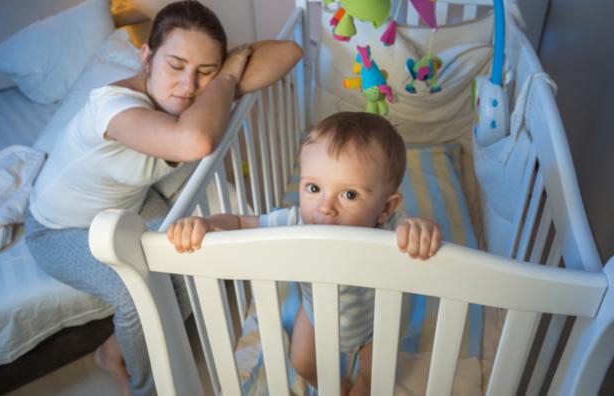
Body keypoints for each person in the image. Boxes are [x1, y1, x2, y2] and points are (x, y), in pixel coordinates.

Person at [24, 1, 302, 395]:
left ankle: (112, 348)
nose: (188, 86)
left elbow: (291, 52)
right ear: (146, 58)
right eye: (175, 65)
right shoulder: (113, 108)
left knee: (188, 256)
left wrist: (228, 67)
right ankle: (144, 386)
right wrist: (226, 76)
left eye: (204, 71)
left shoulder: (196, 93)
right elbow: (196, 140)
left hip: (128, 206)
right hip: (59, 229)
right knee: (135, 292)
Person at [167, 111, 443, 396]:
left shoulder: (390, 228)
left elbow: (418, 233)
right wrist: (208, 224)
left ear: (385, 208)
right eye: (313, 188)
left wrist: (421, 231)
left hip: (376, 320)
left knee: (376, 376)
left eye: (349, 195)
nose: (325, 207)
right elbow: (239, 222)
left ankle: (358, 387)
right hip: (315, 314)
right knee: (302, 363)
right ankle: (339, 387)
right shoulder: (297, 222)